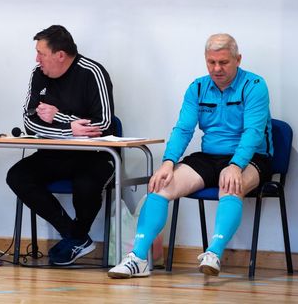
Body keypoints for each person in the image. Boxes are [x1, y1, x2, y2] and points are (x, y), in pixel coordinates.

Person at [108, 33, 273, 278]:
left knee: (230, 186)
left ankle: (213, 253)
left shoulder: (254, 85)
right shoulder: (197, 87)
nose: (216, 69)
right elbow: (183, 129)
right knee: (160, 186)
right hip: (210, 156)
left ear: (238, 59)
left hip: (252, 157)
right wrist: (168, 162)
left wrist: (236, 165)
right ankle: (138, 258)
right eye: (211, 62)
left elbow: (253, 132)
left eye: (224, 62)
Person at [6, 25, 116, 266]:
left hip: (93, 155)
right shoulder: (38, 74)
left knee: (86, 185)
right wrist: (69, 129)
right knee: (17, 176)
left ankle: (75, 237)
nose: (37, 59)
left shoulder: (93, 72)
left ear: (60, 55)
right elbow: (29, 122)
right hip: (54, 154)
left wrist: (60, 117)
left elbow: (104, 124)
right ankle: (75, 236)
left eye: (41, 53)